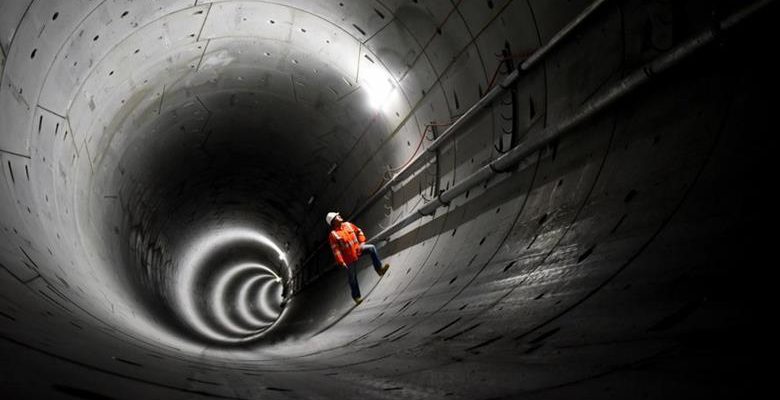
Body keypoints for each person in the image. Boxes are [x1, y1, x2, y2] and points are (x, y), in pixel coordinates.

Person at [326, 212, 389, 305]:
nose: (340, 216)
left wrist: (362, 242)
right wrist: (341, 262)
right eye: (337, 216)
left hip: (358, 249)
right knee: (352, 277)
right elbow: (336, 250)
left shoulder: (348, 225)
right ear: (333, 221)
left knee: (371, 248)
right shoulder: (333, 235)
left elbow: (359, 231)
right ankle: (356, 297)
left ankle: (379, 269)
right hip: (348, 258)